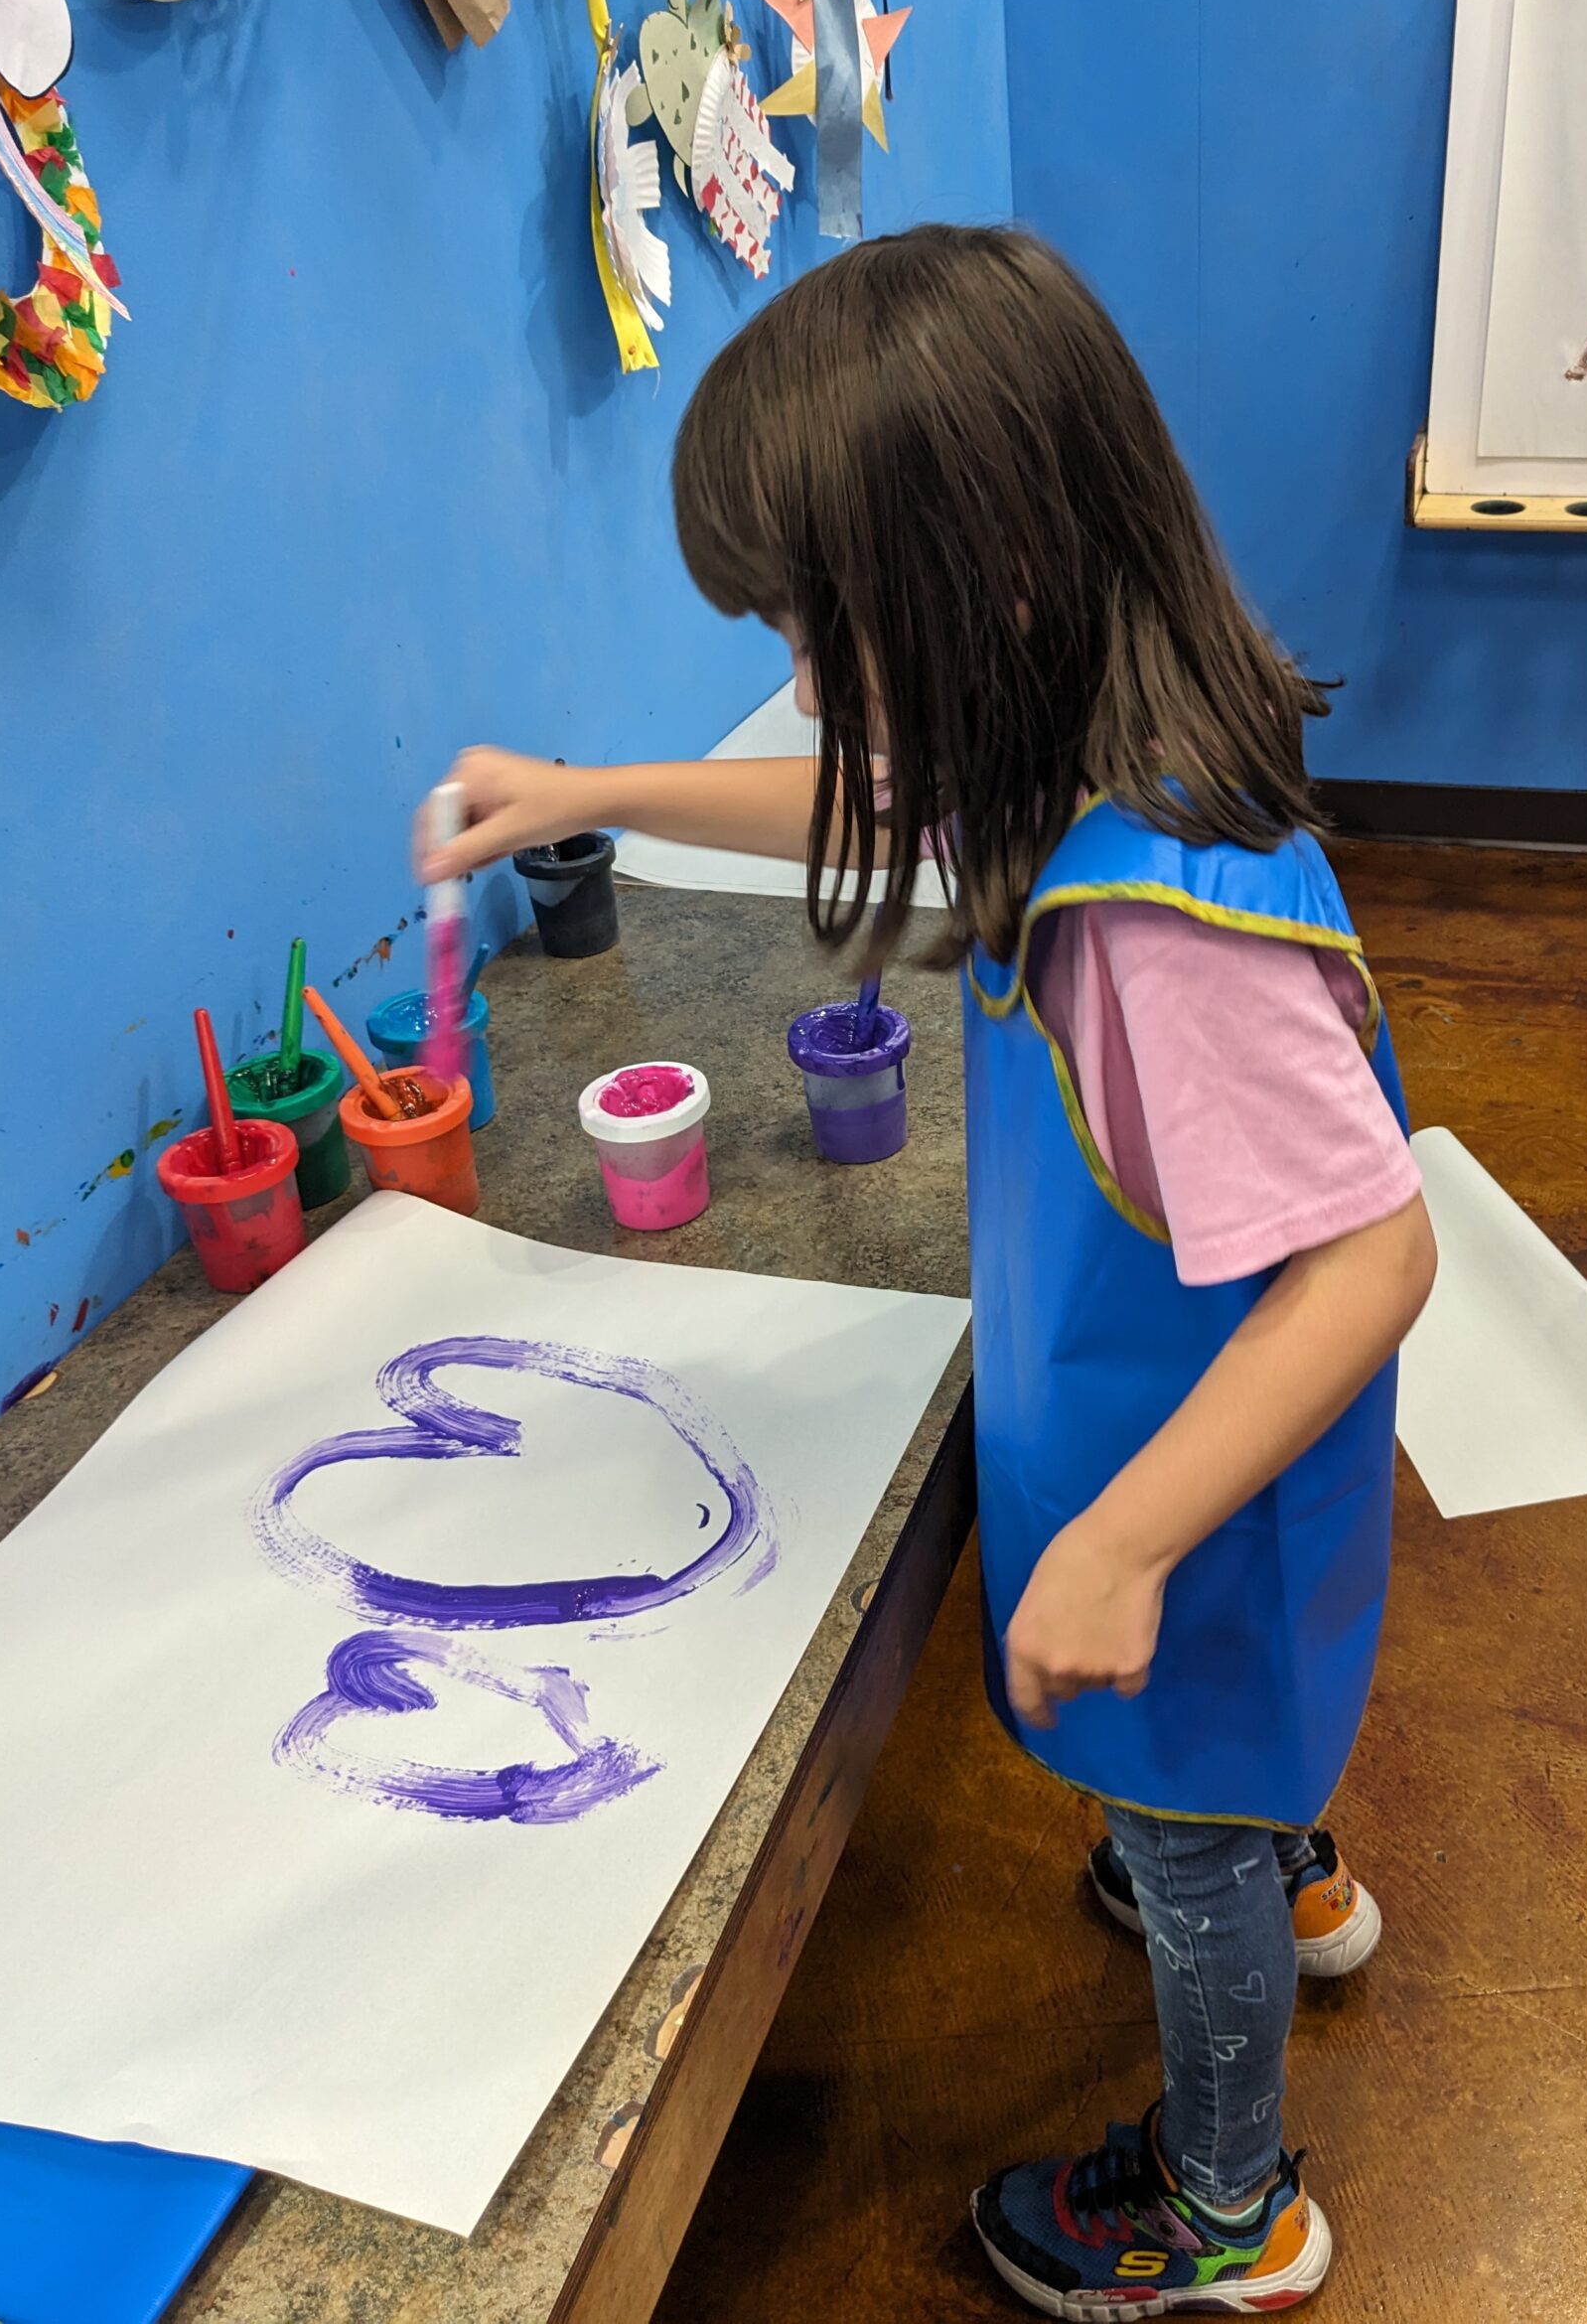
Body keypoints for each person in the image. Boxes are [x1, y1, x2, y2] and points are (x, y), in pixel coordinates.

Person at [419, 224, 1436, 2316]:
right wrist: (587, 789)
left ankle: (1233, 2212)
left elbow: (1372, 1256)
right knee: (1218, 1782)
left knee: (1187, 1824)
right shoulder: (1081, 744)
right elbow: (853, 799)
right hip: (1169, 1442)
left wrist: (1124, 1545)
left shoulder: (1151, 928)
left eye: (821, 628)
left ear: (996, 585)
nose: (805, 681)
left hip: (1193, 1506)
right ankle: (1275, 1854)